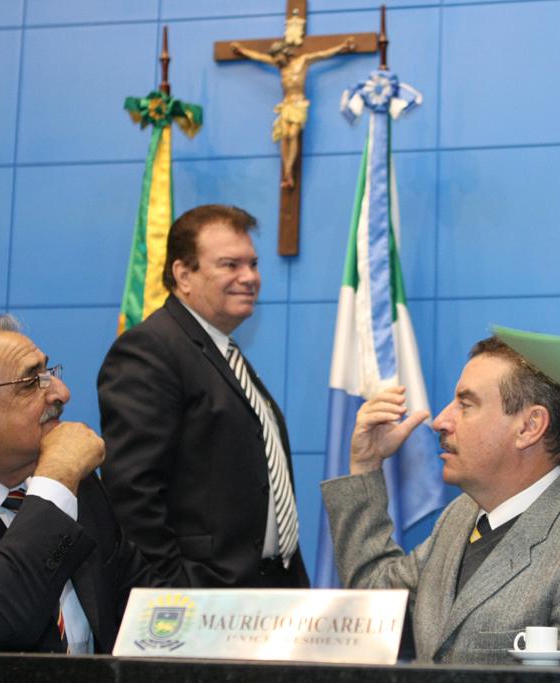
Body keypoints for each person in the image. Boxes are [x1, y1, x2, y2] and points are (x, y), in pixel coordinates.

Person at [322, 337, 560, 666]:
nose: (440, 421)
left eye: (465, 405)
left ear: (529, 426)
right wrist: (365, 466)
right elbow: (377, 605)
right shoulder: (460, 516)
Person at [98, 204, 310, 588]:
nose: (250, 278)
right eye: (230, 265)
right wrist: (178, 592)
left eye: (254, 264)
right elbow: (133, 493)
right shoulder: (150, 350)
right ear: (183, 275)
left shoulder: (222, 352)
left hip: (265, 589)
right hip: (201, 604)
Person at [0, 314, 161, 653]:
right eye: (30, 382)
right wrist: (56, 481)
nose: (61, 393)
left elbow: (143, 606)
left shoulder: (80, 485)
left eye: (49, 373)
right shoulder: (63, 480)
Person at [230, 10, 355, 189]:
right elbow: (259, 57)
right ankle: (287, 173)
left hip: (298, 103)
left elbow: (323, 54)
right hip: (286, 104)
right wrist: (242, 51)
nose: (276, 60)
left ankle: (288, 171)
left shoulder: (302, 61)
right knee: (284, 137)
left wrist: (341, 47)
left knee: (292, 134)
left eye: (278, 56)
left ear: (285, 53)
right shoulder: (280, 66)